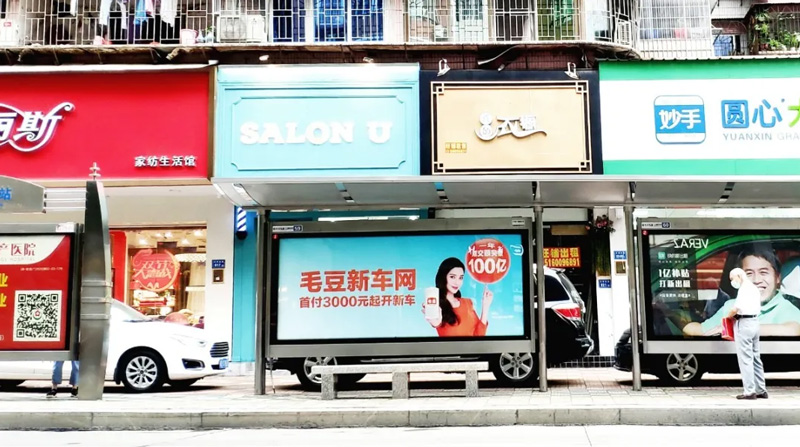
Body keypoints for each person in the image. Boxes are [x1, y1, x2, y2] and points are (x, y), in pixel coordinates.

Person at [683, 245, 800, 337]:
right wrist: (675, 314)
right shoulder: (732, 306)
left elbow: (792, 330)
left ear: (778, 277)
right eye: (749, 273)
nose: (756, 280)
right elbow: (699, 330)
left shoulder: (786, 308)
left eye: (763, 272)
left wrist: (735, 329)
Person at [423, 257, 493, 337]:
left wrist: (485, 306)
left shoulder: (467, 302)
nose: (457, 282)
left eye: (460, 278)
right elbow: (437, 325)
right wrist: (436, 323)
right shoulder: (437, 305)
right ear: (443, 277)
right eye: (452, 277)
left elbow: (479, 335)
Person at [726, 267, 767, 400]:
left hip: (744, 324)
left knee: (746, 359)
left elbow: (736, 309)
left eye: (732, 279)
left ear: (739, 276)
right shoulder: (754, 288)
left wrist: (728, 316)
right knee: (756, 357)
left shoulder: (744, 289)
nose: (732, 282)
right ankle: (761, 389)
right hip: (755, 322)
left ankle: (749, 391)